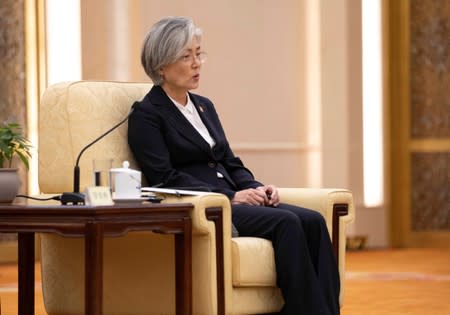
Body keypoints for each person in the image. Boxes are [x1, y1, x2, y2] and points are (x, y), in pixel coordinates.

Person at [128, 16, 340, 315]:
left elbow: (229, 161)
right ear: (161, 65)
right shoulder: (147, 115)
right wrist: (230, 197)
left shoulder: (203, 106)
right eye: (186, 56)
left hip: (235, 197)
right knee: (288, 223)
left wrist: (255, 187)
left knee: (314, 220)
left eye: (198, 53)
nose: (196, 63)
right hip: (207, 204)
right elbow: (164, 178)